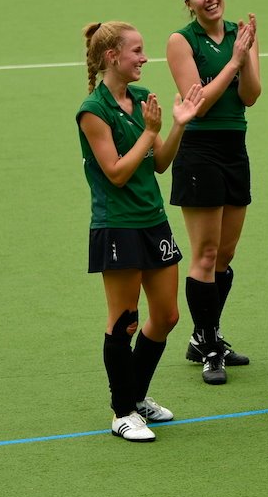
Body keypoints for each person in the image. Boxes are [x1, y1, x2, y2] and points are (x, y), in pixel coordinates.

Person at [79, 22, 201, 442]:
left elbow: (160, 163)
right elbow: (115, 172)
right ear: (112, 56)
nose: (144, 58)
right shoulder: (93, 111)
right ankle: (122, 411)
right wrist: (149, 132)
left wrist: (178, 124)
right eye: (136, 51)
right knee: (124, 321)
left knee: (167, 315)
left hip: (153, 221)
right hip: (118, 225)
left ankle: (136, 396)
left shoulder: (141, 99)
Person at [165, 0, 261, 386]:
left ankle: (205, 335)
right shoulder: (180, 41)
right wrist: (236, 60)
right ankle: (208, 347)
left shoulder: (241, 34)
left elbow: (250, 96)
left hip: (234, 147)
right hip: (199, 151)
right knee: (204, 255)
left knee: (225, 255)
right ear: (189, 3)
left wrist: (247, 55)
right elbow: (198, 104)